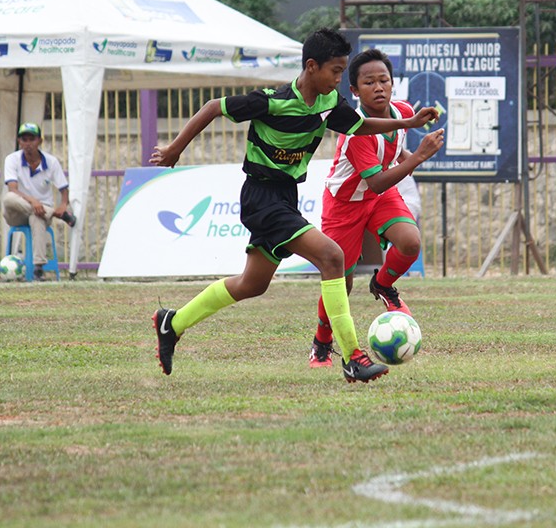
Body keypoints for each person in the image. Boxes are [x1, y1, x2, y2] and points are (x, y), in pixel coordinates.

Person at [149, 28, 438, 384]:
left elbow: (362, 125)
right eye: (335, 70)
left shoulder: (329, 105)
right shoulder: (272, 100)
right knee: (333, 258)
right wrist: (176, 148)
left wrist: (407, 122)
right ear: (312, 67)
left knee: (251, 284)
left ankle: (172, 322)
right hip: (261, 197)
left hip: (285, 196)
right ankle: (353, 358)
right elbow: (213, 108)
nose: (338, 78)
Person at [308, 49, 444, 368]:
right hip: (346, 204)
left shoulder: (403, 112)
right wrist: (419, 156)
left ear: (393, 84)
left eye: (384, 80)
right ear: (354, 91)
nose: (379, 87)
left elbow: (393, 152)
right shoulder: (356, 133)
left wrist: (406, 154)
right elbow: (377, 183)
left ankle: (383, 284)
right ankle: (321, 343)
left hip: (378, 197)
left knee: (410, 242)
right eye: (369, 82)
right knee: (340, 280)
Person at [2, 122, 76, 280]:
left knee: (37, 217)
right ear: (19, 142)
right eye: (24, 140)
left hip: (40, 213)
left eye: (32, 139)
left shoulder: (51, 162)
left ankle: (38, 268)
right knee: (8, 199)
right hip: (17, 211)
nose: (28, 144)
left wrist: (63, 204)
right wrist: (34, 202)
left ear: (40, 141)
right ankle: (54, 214)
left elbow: (64, 189)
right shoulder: (12, 159)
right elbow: (13, 189)